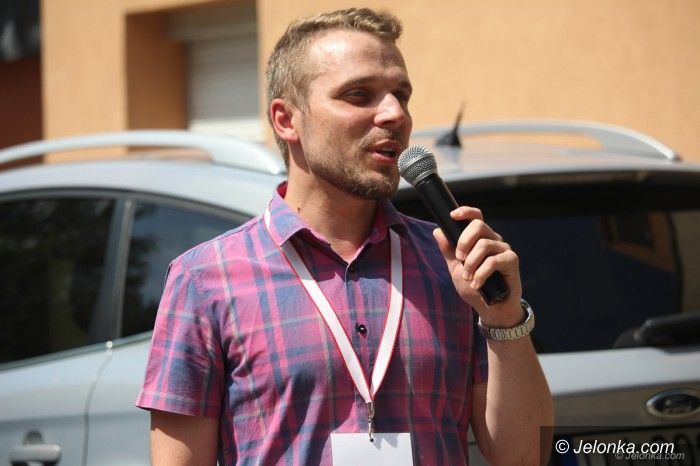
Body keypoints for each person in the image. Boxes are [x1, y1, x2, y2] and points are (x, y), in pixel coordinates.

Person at [136, 7, 553, 465]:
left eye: (401, 95)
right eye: (359, 95)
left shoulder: (452, 266)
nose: (395, 113)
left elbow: (524, 457)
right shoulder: (204, 280)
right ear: (286, 120)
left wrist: (504, 316)